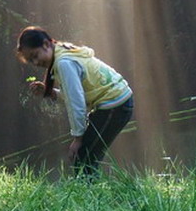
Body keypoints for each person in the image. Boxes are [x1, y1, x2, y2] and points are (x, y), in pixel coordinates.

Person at [16, 26, 133, 175]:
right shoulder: (62, 53)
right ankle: (91, 193)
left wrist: (78, 138)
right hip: (116, 103)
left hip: (115, 104)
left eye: (35, 55)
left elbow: (76, 104)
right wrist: (51, 92)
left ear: (46, 44)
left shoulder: (63, 63)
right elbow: (76, 96)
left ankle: (89, 195)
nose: (35, 62)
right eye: (31, 60)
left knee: (84, 157)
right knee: (86, 156)